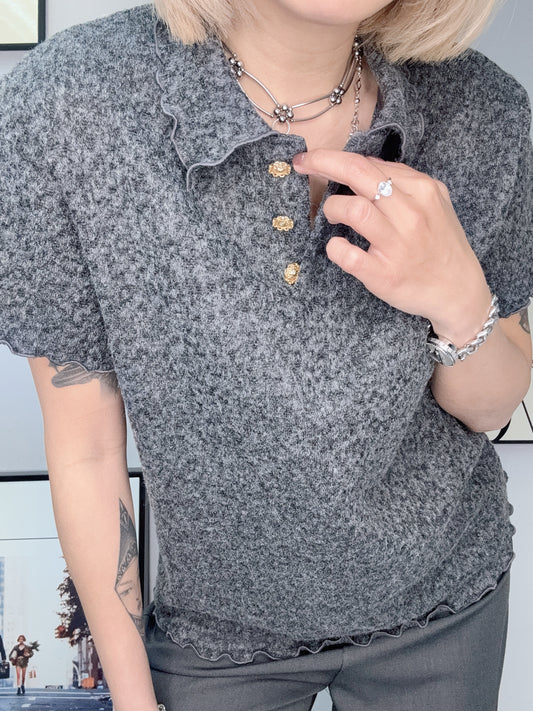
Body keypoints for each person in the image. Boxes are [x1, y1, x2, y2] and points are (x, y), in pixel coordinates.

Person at [0, 1, 531, 710]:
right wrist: (132, 698)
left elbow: (489, 406)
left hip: (444, 611)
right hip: (215, 640)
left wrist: (458, 296)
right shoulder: (70, 104)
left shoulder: (486, 109)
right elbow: (87, 449)